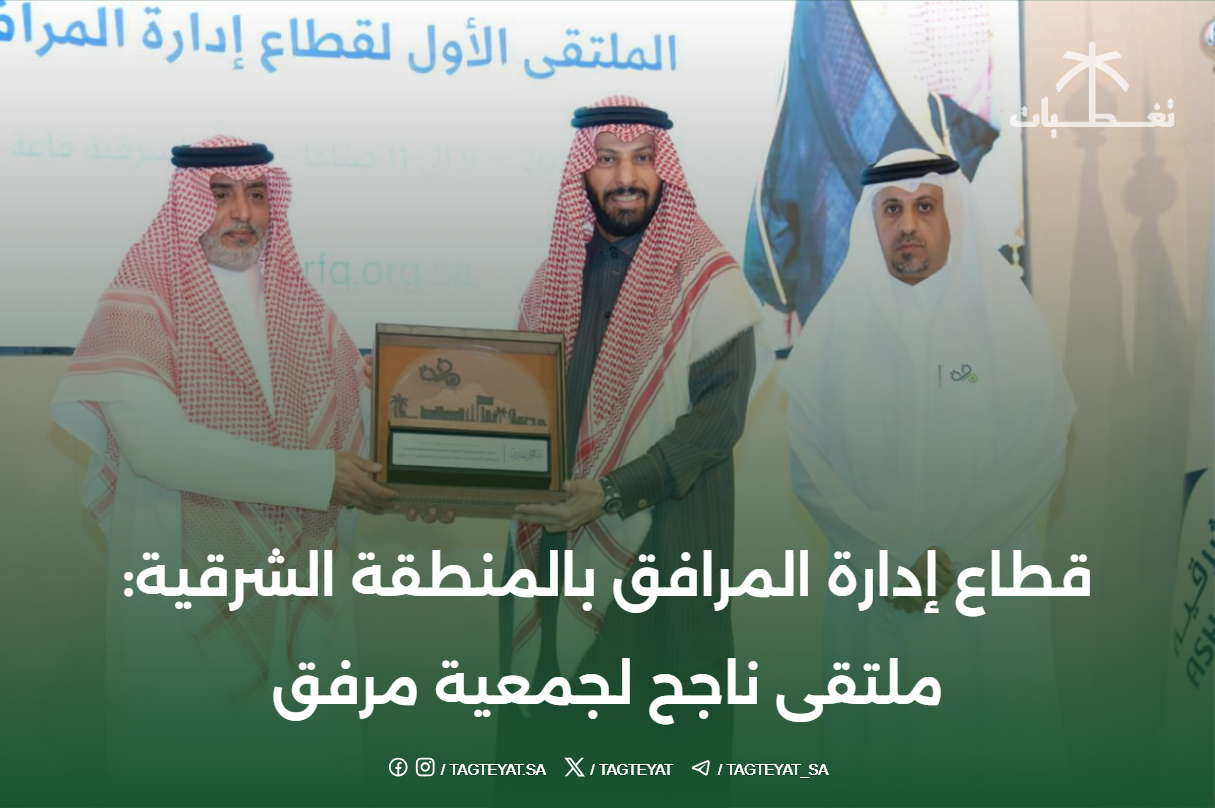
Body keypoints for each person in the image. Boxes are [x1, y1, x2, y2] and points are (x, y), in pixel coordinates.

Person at [49, 136, 401, 804]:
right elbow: (157, 447)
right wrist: (318, 477)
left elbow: (351, 432)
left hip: (299, 593)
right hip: (178, 595)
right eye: (220, 195)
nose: (242, 212)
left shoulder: (306, 309)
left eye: (257, 195)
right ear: (186, 206)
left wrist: (399, 414)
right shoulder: (138, 301)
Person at [781, 149, 1075, 800]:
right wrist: (892, 552)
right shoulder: (834, 333)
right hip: (875, 597)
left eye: (924, 207)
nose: (907, 224)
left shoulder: (1006, 320)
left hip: (984, 601)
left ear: (952, 216)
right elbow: (808, 467)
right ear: (872, 222)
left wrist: (948, 556)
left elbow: (1040, 450)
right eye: (891, 209)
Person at [494, 97, 762, 801]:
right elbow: (515, 416)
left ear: (662, 168)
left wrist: (612, 492)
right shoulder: (552, 281)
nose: (626, 177)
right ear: (582, 174)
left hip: (665, 556)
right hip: (556, 554)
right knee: (554, 750)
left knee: (654, 751)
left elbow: (717, 423)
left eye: (642, 159)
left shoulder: (710, 282)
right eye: (607, 160)